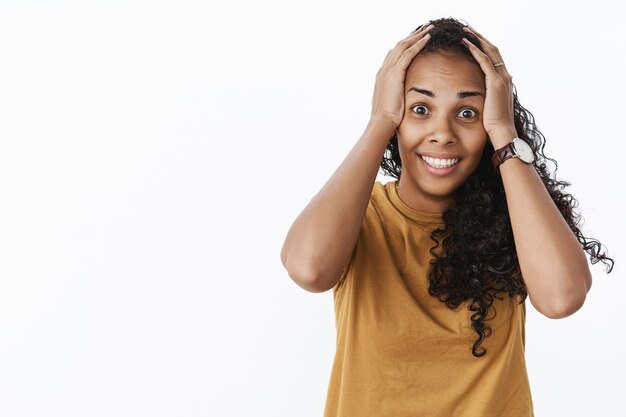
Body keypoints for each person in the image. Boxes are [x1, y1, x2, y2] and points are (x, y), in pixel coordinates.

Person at [280, 17, 614, 417]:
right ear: (397, 115)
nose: (443, 133)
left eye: (468, 113)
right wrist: (378, 123)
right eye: (420, 108)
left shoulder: (516, 216)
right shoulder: (359, 215)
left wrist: (505, 135)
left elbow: (562, 297)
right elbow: (307, 269)